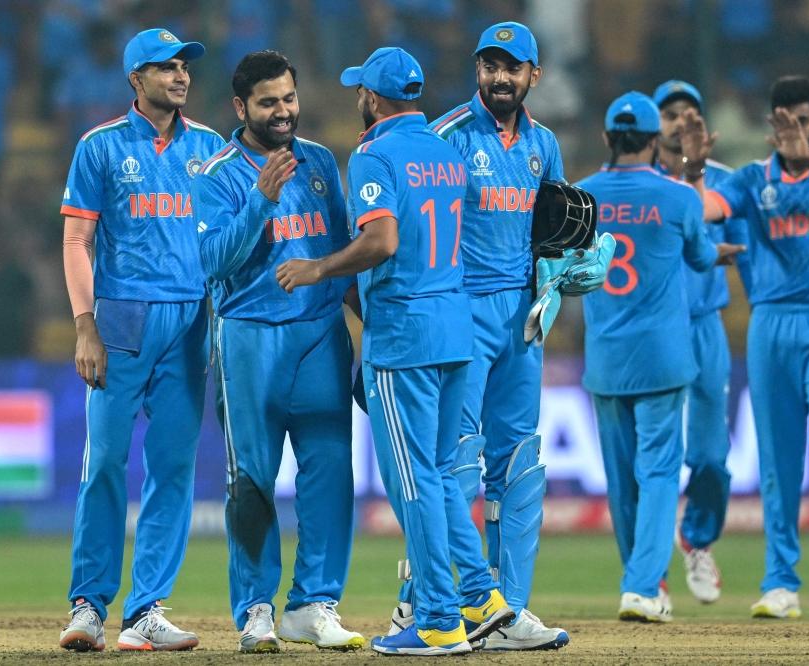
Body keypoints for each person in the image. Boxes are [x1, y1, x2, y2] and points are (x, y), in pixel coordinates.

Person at [276, 46, 514, 656]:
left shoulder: (374, 153)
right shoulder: (446, 150)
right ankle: (482, 598)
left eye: (361, 89)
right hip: (456, 327)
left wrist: (320, 267)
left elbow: (381, 240)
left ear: (373, 98)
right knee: (436, 476)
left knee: (411, 483)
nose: (358, 96)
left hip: (405, 336)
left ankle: (436, 618)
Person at [391, 22, 574, 650]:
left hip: (522, 321)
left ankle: (507, 614)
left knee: (520, 468)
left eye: (512, 67)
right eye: (489, 66)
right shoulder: (442, 138)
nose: (499, 78)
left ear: (533, 76)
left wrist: (565, 271)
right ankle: (420, 608)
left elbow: (549, 235)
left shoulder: (544, 144)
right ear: (477, 70)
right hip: (458, 316)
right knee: (454, 470)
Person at [687, 76, 809, 618]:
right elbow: (698, 212)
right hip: (771, 323)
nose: (792, 130)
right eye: (783, 120)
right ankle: (781, 582)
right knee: (777, 461)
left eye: (802, 119)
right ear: (771, 123)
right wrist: (696, 170)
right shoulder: (751, 179)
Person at [57, 28, 224, 652]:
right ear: (136, 79)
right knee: (103, 462)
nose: (180, 76)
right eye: (165, 67)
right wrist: (84, 326)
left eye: (184, 67)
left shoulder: (210, 148)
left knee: (174, 469)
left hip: (190, 322)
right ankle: (88, 606)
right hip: (120, 322)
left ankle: (146, 611)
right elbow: (78, 240)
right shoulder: (99, 147)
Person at [192, 50, 363, 654]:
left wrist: (365, 341)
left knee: (330, 474)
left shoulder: (318, 162)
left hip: (320, 336)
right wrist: (260, 201)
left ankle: (314, 605)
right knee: (253, 483)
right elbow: (210, 263)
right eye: (270, 103)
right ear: (241, 108)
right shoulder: (215, 175)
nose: (284, 111)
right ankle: (257, 609)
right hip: (249, 337)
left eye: (289, 98)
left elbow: (344, 257)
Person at [576, 91, 742, 623]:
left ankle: (640, 581)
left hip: (606, 358)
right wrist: (717, 252)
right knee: (659, 473)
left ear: (606, 139)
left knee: (621, 479)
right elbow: (698, 257)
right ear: (653, 142)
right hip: (663, 357)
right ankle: (643, 587)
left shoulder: (581, 197)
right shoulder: (678, 198)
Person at [651, 79, 750, 604]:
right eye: (669, 113)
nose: (680, 121)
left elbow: (738, 234)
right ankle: (651, 574)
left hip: (705, 325)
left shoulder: (727, 184)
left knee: (711, 455)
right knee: (657, 455)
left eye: (690, 112)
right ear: (654, 123)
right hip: (653, 327)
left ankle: (697, 540)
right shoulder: (639, 182)